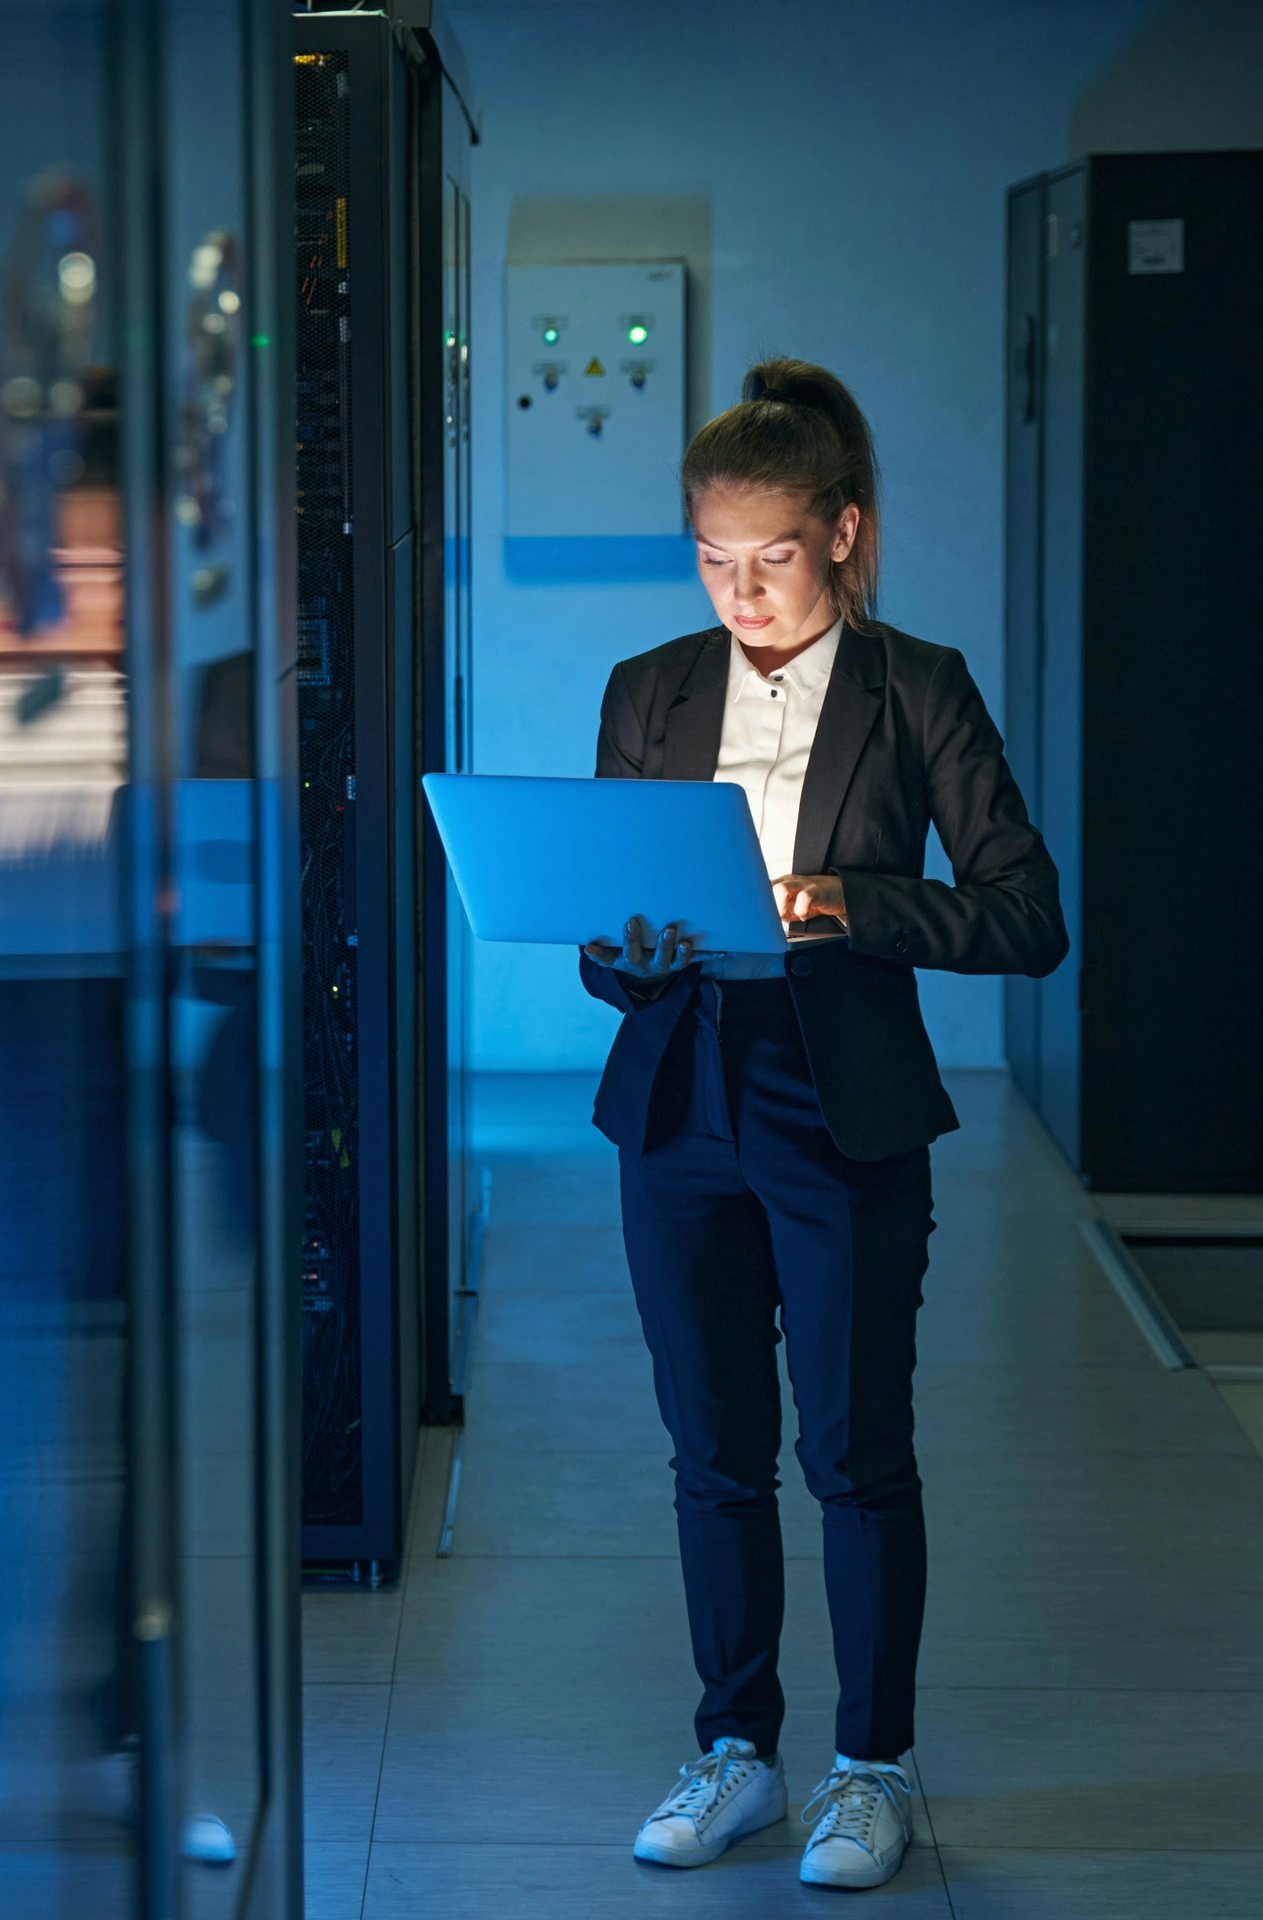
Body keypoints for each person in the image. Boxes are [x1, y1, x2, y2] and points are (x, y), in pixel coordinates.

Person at [576, 357, 1067, 1890]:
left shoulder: (917, 686)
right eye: (712, 559)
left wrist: (853, 902)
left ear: (842, 533)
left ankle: (872, 1769)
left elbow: (1026, 914)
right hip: (676, 1096)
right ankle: (735, 1751)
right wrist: (628, 946)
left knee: (854, 1450)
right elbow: (603, 936)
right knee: (712, 1450)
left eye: (773, 556)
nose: (742, 591)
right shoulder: (650, 687)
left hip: (838, 1097)